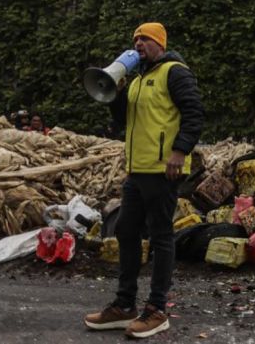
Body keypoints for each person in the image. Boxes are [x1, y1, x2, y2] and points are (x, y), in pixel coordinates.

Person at [84, 22, 203, 339]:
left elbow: (194, 112)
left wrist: (180, 151)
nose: (138, 43)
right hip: (137, 170)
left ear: (159, 44)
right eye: (135, 38)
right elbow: (122, 120)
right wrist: (116, 90)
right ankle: (125, 305)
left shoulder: (174, 72)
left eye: (144, 39)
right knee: (125, 231)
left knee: (161, 235)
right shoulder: (136, 80)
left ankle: (157, 309)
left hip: (164, 170)